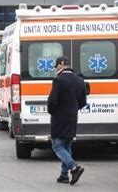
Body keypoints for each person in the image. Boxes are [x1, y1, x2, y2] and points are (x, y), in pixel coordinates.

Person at [47, 56, 86, 185]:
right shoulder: (80, 81)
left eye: (56, 65)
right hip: (72, 117)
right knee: (67, 144)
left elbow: (52, 100)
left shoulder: (58, 80)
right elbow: (83, 102)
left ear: (61, 65)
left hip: (59, 117)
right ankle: (64, 175)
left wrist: (52, 111)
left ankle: (74, 167)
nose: (56, 68)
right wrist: (73, 109)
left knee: (57, 144)